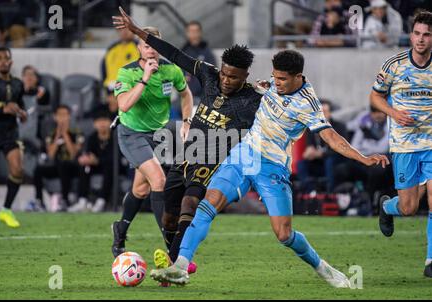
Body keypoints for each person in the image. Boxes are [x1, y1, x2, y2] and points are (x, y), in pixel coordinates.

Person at [150, 49, 389, 287]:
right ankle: (180, 266)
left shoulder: (307, 104)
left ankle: (322, 268)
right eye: (275, 77)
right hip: (243, 157)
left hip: (272, 168)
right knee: (206, 205)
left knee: (284, 234)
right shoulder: (273, 85)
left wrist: (363, 158)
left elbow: (330, 137)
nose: (277, 83)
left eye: (283, 79)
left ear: (298, 76)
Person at [112, 8, 262, 276]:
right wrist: (136, 30)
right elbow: (176, 54)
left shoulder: (253, 99)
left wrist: (280, 85)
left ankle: (176, 265)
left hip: (211, 160)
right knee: (167, 213)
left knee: (189, 204)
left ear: (245, 76)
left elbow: (284, 103)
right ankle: (167, 255)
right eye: (225, 74)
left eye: (233, 77)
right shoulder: (209, 74)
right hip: (186, 153)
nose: (226, 80)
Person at [110, 23, 194, 259]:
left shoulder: (171, 71)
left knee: (141, 187)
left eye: (155, 46)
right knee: (159, 180)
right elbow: (124, 105)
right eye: (147, 45)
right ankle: (171, 248)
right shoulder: (127, 73)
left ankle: (120, 230)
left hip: (158, 135)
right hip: (132, 133)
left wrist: (187, 121)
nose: (151, 50)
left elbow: (186, 93)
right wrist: (145, 77)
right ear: (139, 48)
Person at [371, 10, 432, 277]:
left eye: (427, 34)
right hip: (404, 145)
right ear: (411, 34)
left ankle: (431, 261)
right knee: (408, 208)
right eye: (417, 33)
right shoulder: (393, 64)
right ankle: (386, 206)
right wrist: (394, 113)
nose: (421, 39)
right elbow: (375, 97)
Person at [0, 47, 27, 230]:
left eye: (5, 58)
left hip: (10, 134)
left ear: (11, 62)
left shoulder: (18, 84)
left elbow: (20, 105)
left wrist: (22, 113)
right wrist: (2, 110)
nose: (2, 61)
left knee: (17, 170)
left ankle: (6, 210)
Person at [334, 106, 391, 210]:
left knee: (378, 170)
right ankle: (346, 200)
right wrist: (367, 155)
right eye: (375, 112)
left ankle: (370, 198)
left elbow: (383, 148)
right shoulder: (364, 125)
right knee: (342, 169)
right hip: (363, 160)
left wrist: (366, 150)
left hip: (380, 161)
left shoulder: (389, 126)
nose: (377, 115)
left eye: (380, 112)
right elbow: (354, 146)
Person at [30, 105, 84, 212]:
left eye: (65, 115)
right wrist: (58, 135)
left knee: (64, 165)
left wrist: (65, 134)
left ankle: (65, 200)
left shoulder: (77, 132)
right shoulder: (51, 134)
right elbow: (50, 154)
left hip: (73, 166)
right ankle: (39, 201)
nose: (62, 118)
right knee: (38, 170)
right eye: (59, 115)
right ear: (55, 117)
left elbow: (73, 154)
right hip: (56, 166)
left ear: (69, 116)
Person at [68, 110, 116, 212]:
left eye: (105, 121)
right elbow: (88, 153)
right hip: (95, 166)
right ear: (94, 124)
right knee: (85, 167)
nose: (102, 124)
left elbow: (115, 158)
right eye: (99, 121)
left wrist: (97, 160)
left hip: (113, 167)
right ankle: (82, 200)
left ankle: (101, 201)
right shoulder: (92, 137)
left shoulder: (115, 137)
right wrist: (85, 158)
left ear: (111, 122)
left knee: (109, 168)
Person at [297, 99, 347, 192]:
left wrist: (322, 154)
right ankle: (310, 192)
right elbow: (310, 146)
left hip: (336, 160)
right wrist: (308, 153)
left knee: (330, 161)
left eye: (325, 112)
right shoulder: (311, 128)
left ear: (330, 113)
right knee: (301, 164)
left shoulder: (339, 127)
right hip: (319, 162)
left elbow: (341, 148)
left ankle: (330, 192)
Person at [181, 21, 217, 105]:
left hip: (203, 96)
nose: (193, 34)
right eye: (191, 31)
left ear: (200, 33)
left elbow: (213, 74)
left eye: (196, 31)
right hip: (185, 95)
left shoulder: (207, 52)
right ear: (187, 33)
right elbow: (178, 74)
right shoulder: (183, 52)